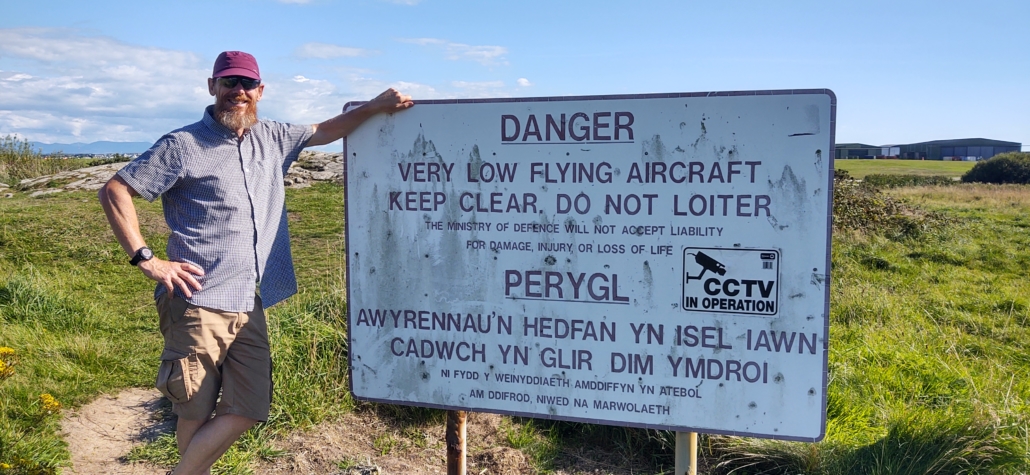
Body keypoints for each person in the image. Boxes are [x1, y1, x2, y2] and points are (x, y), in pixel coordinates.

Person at [98, 50, 412, 474]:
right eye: (229, 83)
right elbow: (116, 190)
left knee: (250, 406)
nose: (238, 92)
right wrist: (149, 260)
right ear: (212, 87)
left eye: (246, 84)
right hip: (196, 300)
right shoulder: (182, 145)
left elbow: (326, 130)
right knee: (194, 410)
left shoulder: (275, 137)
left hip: (249, 301)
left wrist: (375, 106)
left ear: (260, 91)